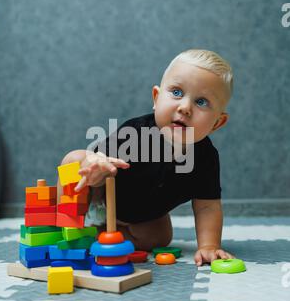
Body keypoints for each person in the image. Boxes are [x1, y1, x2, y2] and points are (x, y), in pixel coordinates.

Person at [58, 49, 235, 266]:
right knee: (75, 160)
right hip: (100, 195)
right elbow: (99, 157)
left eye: (201, 102)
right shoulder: (135, 133)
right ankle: (66, 231)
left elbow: (207, 206)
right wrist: (96, 165)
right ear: (156, 98)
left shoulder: (205, 158)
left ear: (217, 123)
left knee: (160, 237)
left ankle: (99, 234)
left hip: (142, 217)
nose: (185, 108)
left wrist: (209, 246)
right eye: (177, 93)